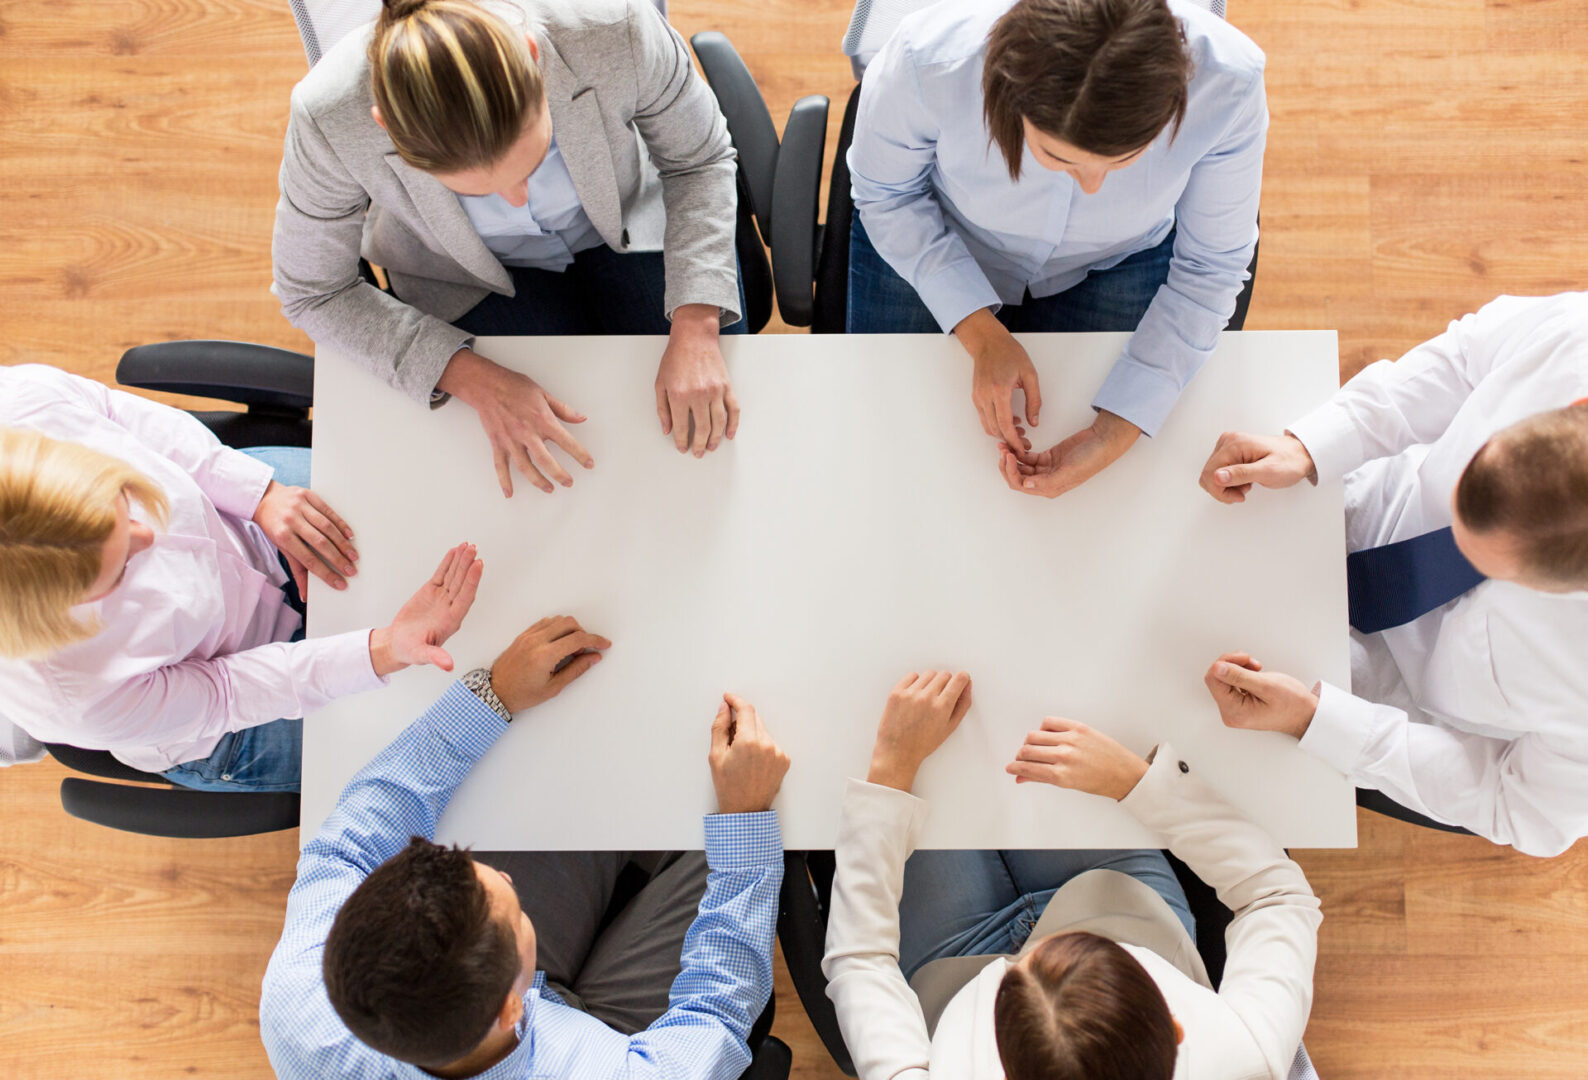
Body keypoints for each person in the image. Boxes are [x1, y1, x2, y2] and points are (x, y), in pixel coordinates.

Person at [259, 614, 793, 1080]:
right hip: (613, 1046)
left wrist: (494, 695)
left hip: (512, 1019)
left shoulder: (300, 1003)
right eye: (513, 915)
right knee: (753, 831)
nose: (507, 880)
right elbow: (715, 1016)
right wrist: (745, 821)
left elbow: (345, 848)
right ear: (512, 1008)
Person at [274, 0, 746, 499]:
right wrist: (471, 377)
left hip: (629, 220)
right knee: (550, 474)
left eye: (534, 161)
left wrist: (696, 321)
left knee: (704, 437)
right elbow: (313, 291)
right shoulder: (328, 115)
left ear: (530, 54)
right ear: (386, 124)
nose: (518, 198)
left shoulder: (614, 24)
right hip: (461, 275)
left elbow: (701, 159)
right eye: (477, 188)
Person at [1199, 292, 1588, 856]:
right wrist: (1314, 444)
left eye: (1486, 564)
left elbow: (1516, 805)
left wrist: (1318, 722)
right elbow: (1465, 361)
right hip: (1365, 508)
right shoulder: (1575, 338)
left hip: (1396, 711)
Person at [847, 0, 1266, 498]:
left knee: (1120, 494)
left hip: (1123, 256)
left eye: (1124, 160)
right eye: (1057, 156)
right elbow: (887, 195)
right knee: (891, 459)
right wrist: (979, 332)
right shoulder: (930, 57)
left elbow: (1211, 265)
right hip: (941, 231)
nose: (1092, 187)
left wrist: (1117, 428)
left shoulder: (1228, 81)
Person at [0, 363, 481, 791]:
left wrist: (260, 495)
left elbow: (119, 415)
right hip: (229, 707)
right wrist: (384, 649)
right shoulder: (68, 693)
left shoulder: (23, 404)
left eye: (123, 502)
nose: (150, 537)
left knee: (436, 497)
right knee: (447, 735)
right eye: (121, 569)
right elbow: (228, 691)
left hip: (241, 519)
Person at [823, 669, 1320, 1080]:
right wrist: (1136, 782)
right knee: (1053, 686)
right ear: (1175, 1029)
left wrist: (891, 771)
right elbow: (1277, 896)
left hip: (952, 965)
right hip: (1113, 905)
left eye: (1016, 976)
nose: (1036, 940)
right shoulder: (1247, 1057)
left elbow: (861, 963)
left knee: (867, 711)